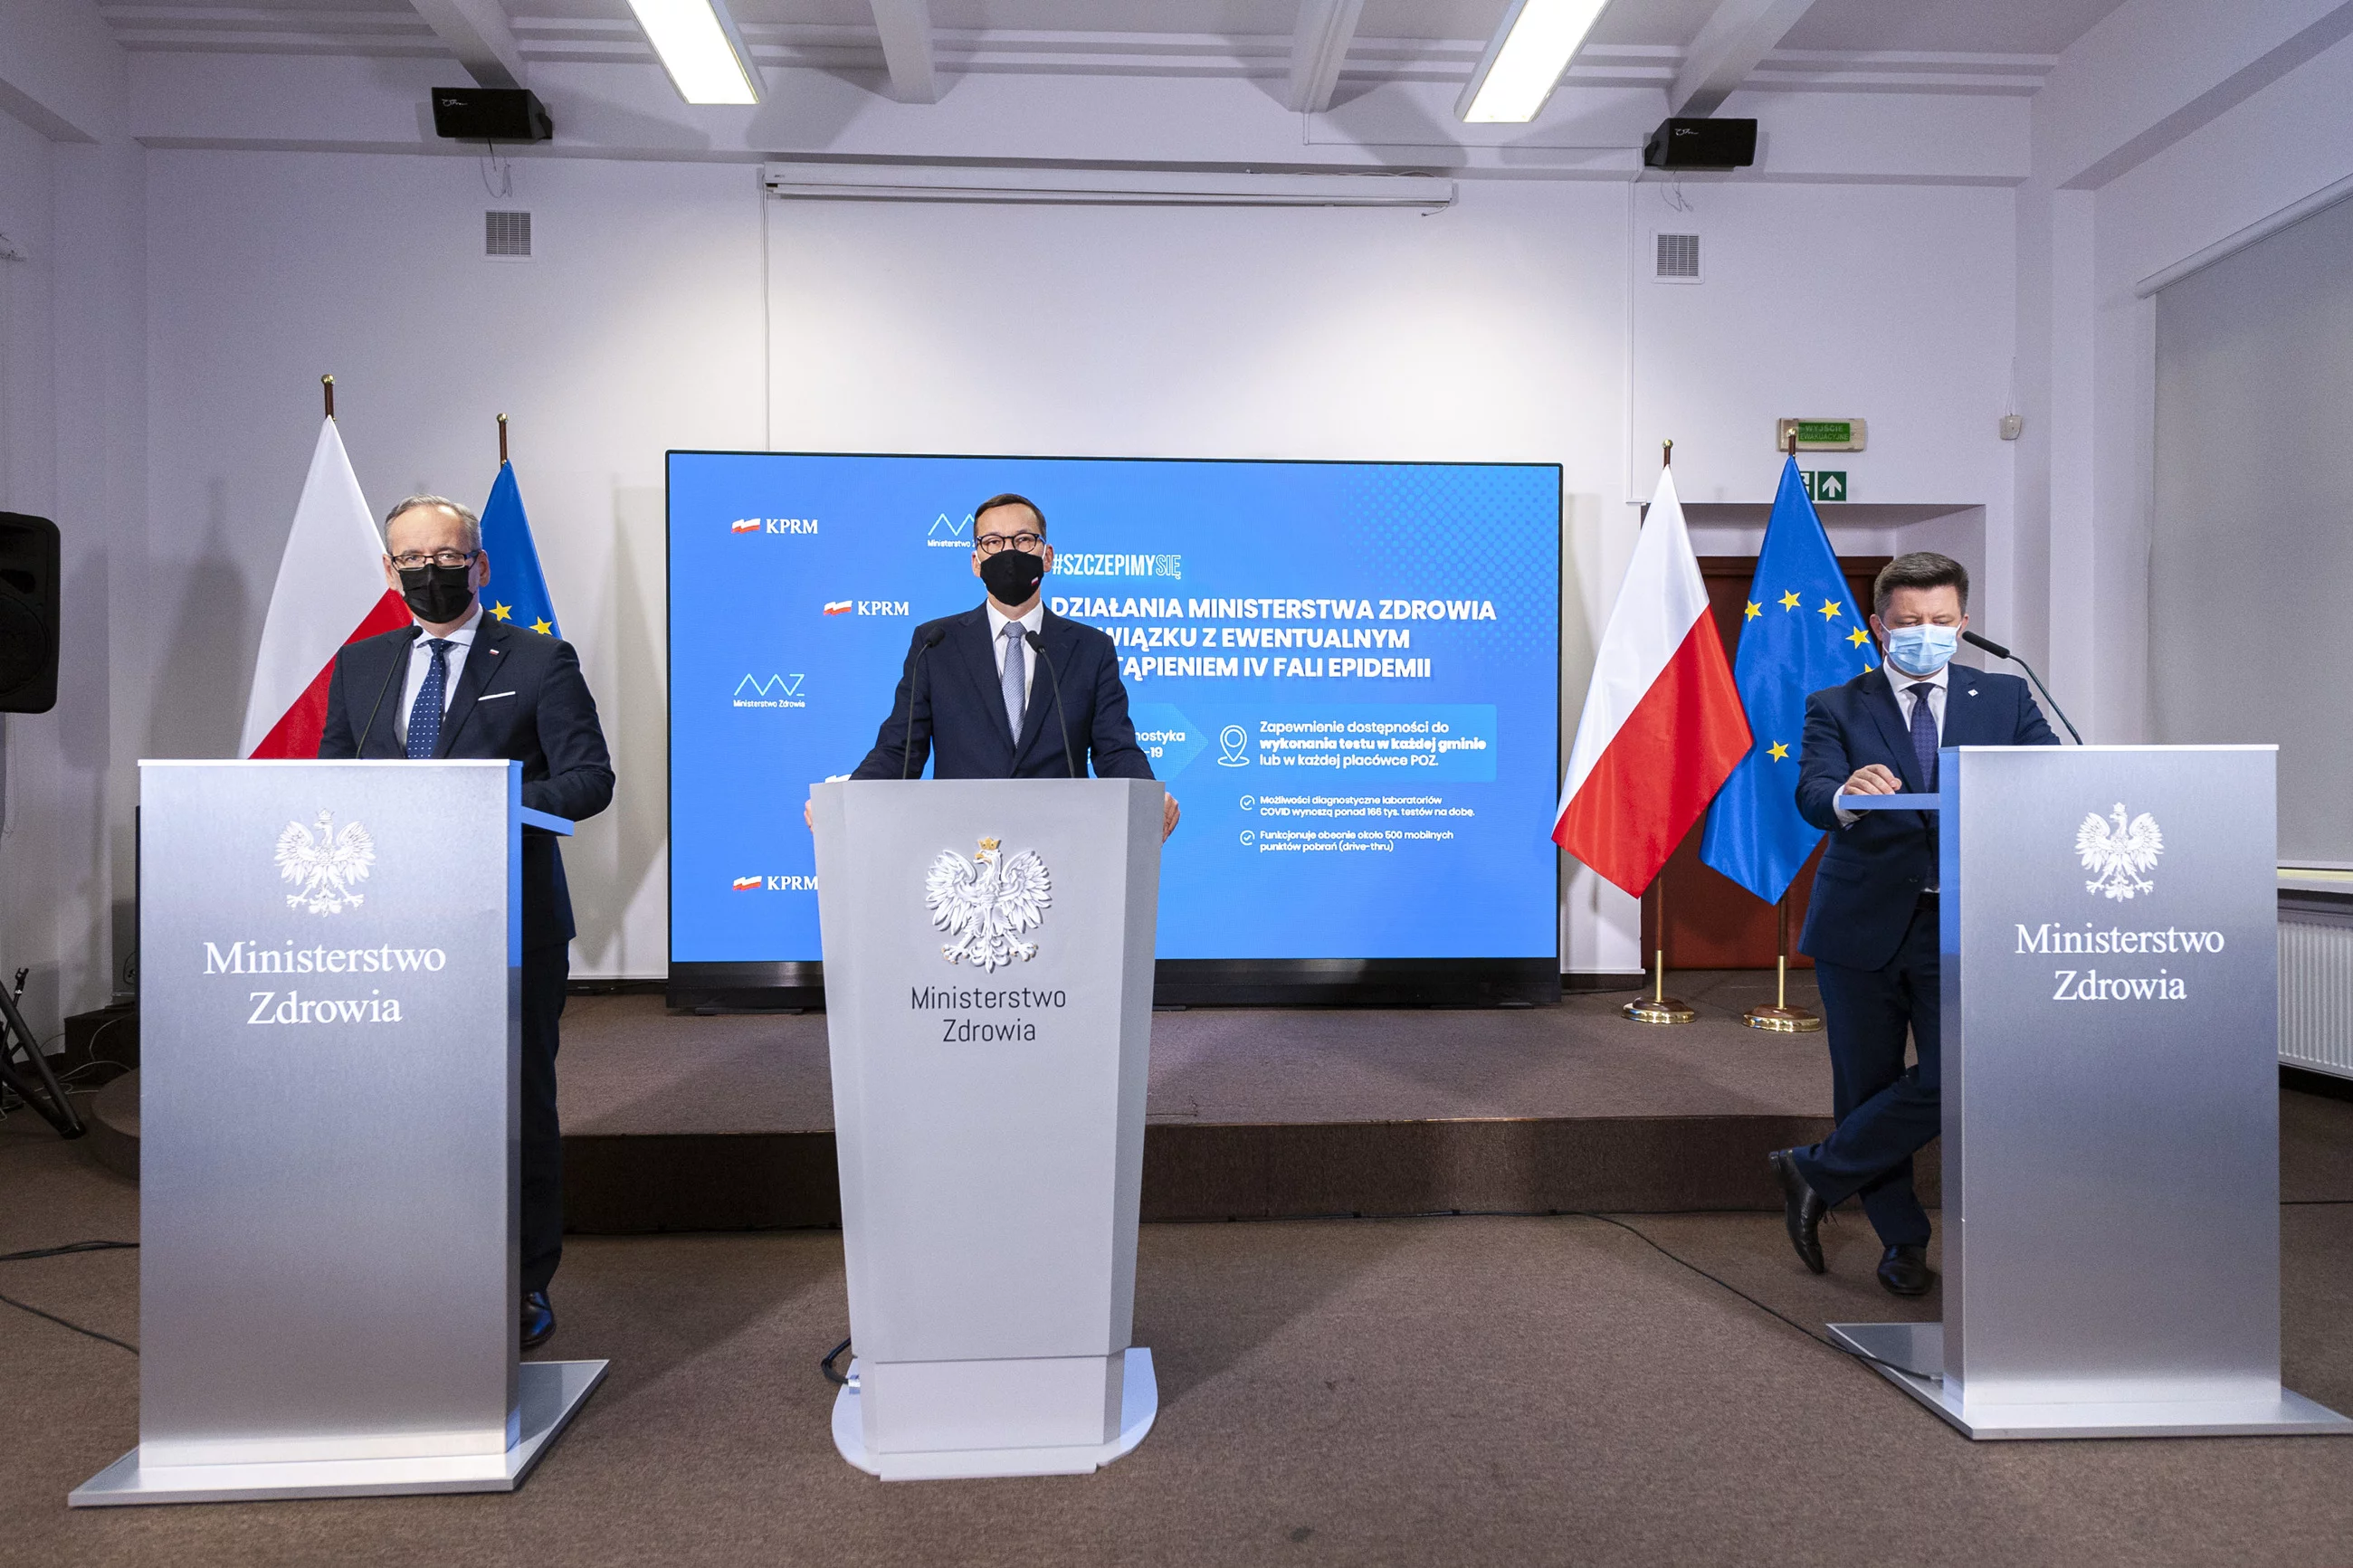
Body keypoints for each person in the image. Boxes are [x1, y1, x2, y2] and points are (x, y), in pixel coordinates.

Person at [318, 495, 614, 1351]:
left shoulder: (539, 657)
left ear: (479, 565)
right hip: (387, 926)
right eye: (410, 561)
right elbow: (332, 781)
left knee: (517, 1104)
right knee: (398, 1102)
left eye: (446, 558)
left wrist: (494, 801)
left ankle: (522, 1283)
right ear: (389, 571)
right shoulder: (361, 666)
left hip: (510, 922)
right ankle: (403, 1266)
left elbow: (589, 780)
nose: (428, 573)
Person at [1768, 552, 2056, 1297]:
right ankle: (1902, 1244)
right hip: (1860, 925)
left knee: (1956, 1076)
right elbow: (1813, 792)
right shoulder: (1839, 703)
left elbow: (2052, 779)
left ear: (1964, 622)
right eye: (1908, 623)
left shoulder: (2005, 695)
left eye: (1940, 621)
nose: (1924, 634)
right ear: (1878, 626)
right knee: (1865, 1087)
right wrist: (1848, 793)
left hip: (1964, 923)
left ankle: (1815, 1170)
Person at [811, 492, 1179, 835]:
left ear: (1047, 556)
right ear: (976, 561)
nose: (1009, 552)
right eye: (993, 543)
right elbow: (900, 750)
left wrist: (1148, 801)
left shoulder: (1090, 648)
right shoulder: (935, 644)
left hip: (1064, 844)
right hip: (959, 851)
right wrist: (847, 803)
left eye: (1023, 540)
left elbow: (1115, 750)